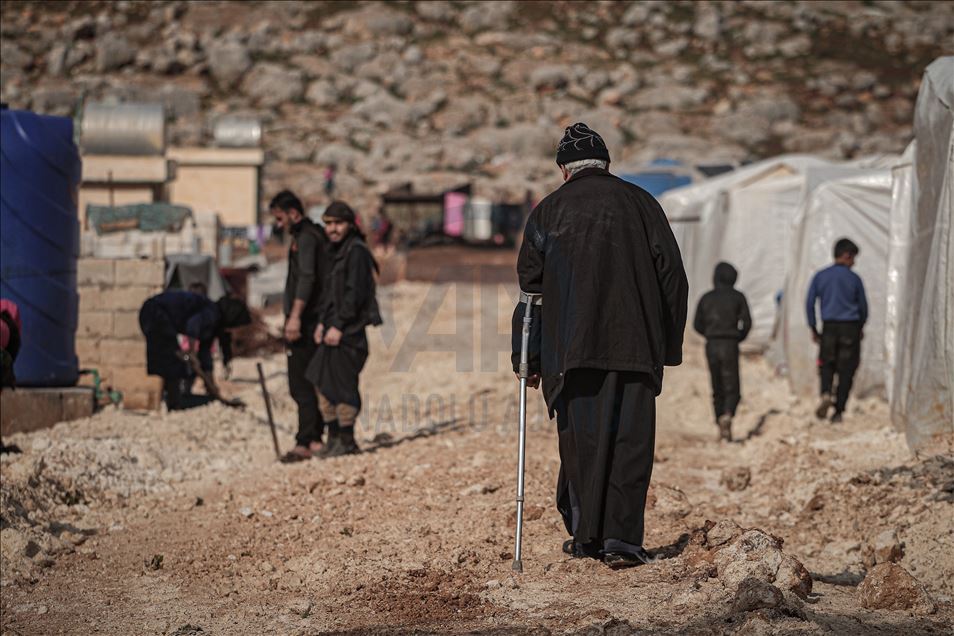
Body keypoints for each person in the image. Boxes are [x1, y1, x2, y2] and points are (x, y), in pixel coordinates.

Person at [512, 122, 688, 569]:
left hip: (570, 352)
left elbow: (530, 295)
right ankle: (622, 542)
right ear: (607, 164)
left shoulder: (548, 212)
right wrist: (666, 346)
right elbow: (673, 278)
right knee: (630, 443)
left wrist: (526, 358)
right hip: (635, 348)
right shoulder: (643, 203)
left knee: (582, 444)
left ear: (563, 171)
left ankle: (586, 536)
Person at [306, 201, 382, 458]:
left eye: (338, 223)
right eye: (328, 224)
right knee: (323, 382)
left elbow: (354, 295)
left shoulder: (357, 252)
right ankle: (334, 437)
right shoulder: (337, 252)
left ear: (350, 225)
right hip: (330, 330)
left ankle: (347, 441)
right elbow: (330, 294)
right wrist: (322, 323)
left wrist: (338, 325)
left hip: (349, 334)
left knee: (343, 386)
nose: (333, 229)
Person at [270, 190, 331, 462]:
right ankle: (316, 436)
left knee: (300, 383)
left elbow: (306, 278)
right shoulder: (310, 235)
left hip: (305, 321)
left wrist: (294, 317)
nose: (279, 224)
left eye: (281, 218)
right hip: (312, 319)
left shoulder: (306, 238)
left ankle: (305, 441)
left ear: (293, 213)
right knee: (310, 380)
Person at [139, 290, 251, 410]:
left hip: (157, 316)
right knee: (172, 360)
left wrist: (211, 386)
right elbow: (193, 325)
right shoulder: (211, 312)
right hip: (154, 312)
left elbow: (205, 357)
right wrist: (191, 352)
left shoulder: (213, 326)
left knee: (174, 359)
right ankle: (171, 405)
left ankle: (173, 402)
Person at [806, 238, 868, 423]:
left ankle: (825, 392)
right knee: (846, 370)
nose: (854, 263)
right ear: (847, 255)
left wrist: (813, 327)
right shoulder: (854, 279)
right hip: (850, 327)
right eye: (853, 258)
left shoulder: (820, 276)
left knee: (826, 364)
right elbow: (863, 308)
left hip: (829, 326)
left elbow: (809, 303)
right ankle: (838, 410)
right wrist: (860, 327)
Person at [693, 262, 752, 442]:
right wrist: (737, 337)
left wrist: (710, 334)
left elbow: (697, 324)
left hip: (711, 344)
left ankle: (719, 420)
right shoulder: (738, 297)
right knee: (732, 384)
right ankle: (728, 414)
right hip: (730, 344)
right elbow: (747, 323)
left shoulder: (706, 298)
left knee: (716, 384)